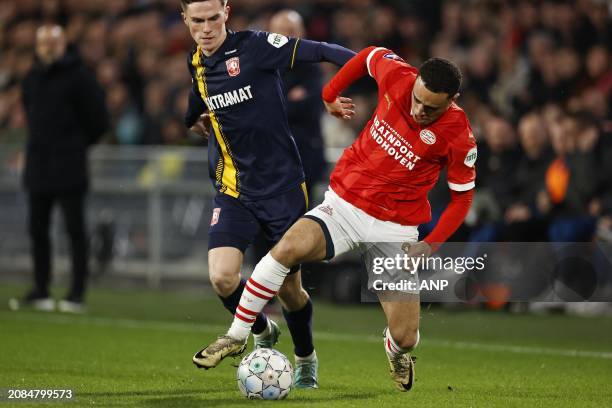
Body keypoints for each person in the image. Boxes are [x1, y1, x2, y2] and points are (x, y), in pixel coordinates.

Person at [194, 46, 477, 392]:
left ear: (453, 100)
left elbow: (463, 198)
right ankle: (236, 336)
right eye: (417, 99)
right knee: (286, 249)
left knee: (407, 336)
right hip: (343, 206)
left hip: (394, 228)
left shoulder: (459, 134)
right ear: (415, 80)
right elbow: (370, 54)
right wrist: (330, 94)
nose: (418, 110)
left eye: (430, 108)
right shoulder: (397, 75)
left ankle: (394, 349)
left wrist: (430, 244)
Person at [181, 0, 355, 388]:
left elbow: (323, 50)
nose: (206, 28)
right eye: (197, 21)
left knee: (291, 289)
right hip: (234, 190)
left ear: (226, 12)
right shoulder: (196, 63)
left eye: (213, 18)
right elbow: (197, 100)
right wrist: (192, 121)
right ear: (185, 20)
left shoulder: (256, 47)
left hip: (282, 190)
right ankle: (262, 326)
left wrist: (379, 68)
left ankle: (306, 356)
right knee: (223, 278)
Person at [9, 25, 109, 313]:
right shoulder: (32, 78)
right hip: (39, 164)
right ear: (37, 45)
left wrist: (75, 145)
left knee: (74, 231)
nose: (48, 47)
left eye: (53, 42)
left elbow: (99, 120)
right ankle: (41, 289)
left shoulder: (79, 77)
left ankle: (76, 293)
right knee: (37, 230)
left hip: (69, 165)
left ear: (63, 44)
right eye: (43, 42)